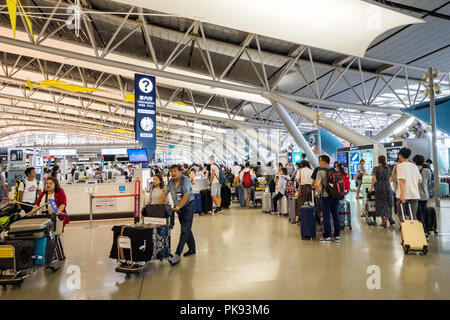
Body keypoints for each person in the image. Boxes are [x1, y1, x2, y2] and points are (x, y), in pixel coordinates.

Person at [158, 165, 196, 266]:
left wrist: (178, 207)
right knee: (186, 228)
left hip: (188, 205)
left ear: (180, 172)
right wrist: (157, 207)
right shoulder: (171, 182)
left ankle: (177, 254)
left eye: (175, 171)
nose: (173, 173)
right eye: (171, 172)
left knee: (184, 230)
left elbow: (187, 195)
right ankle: (192, 249)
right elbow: (164, 194)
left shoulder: (185, 180)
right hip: (179, 207)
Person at [315, 155, 341, 244]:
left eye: (320, 161)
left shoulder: (320, 171)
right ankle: (337, 236)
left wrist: (319, 193)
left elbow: (317, 184)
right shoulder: (334, 170)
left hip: (325, 197)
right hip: (336, 196)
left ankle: (327, 237)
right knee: (335, 215)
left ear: (324, 162)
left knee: (326, 216)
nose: (319, 163)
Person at [396, 147, 422, 222]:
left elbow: (402, 181)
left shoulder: (400, 166)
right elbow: (420, 180)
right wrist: (411, 181)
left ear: (400, 155)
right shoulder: (414, 166)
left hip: (404, 194)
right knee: (413, 216)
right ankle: (412, 232)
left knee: (401, 214)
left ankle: (405, 231)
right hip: (414, 194)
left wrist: (402, 195)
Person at [369, 156, 393, 228]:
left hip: (379, 187)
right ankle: (387, 217)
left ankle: (383, 220)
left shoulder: (376, 168)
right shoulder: (388, 168)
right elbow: (390, 179)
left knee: (380, 203)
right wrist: (390, 187)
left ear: (378, 160)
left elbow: (373, 179)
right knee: (387, 203)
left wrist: (371, 188)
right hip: (387, 187)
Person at [413, 154, 431, 236]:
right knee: (424, 213)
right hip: (425, 195)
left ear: (415, 162)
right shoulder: (428, 170)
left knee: (419, 215)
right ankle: (426, 229)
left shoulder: (414, 170)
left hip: (417, 196)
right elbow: (428, 183)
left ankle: (424, 232)